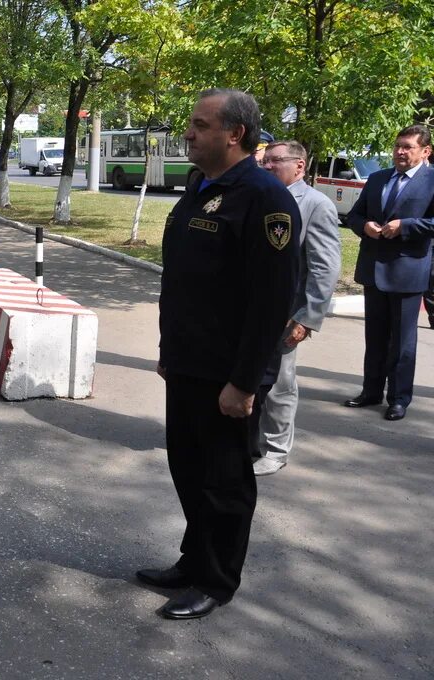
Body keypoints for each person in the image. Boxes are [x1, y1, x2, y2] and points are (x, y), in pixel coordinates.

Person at [143, 89, 299, 619]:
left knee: (224, 482)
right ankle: (193, 561)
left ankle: (217, 579)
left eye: (199, 124)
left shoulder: (264, 198)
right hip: (188, 361)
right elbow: (184, 282)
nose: (188, 132)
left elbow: (270, 303)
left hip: (228, 373)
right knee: (188, 469)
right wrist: (169, 349)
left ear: (234, 133)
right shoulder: (200, 186)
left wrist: (247, 381)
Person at [254, 140, 341, 475]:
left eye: (275, 161)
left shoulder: (315, 204)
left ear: (300, 165)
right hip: (252, 306)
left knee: (279, 383)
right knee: (250, 377)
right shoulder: (261, 196)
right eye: (264, 161)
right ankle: (249, 442)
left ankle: (275, 450)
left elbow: (325, 267)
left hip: (288, 311)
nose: (267, 167)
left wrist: (307, 317)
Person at [343, 125, 434, 421]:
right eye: (397, 145)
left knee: (403, 341)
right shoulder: (378, 177)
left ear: (425, 151)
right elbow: (355, 215)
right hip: (374, 269)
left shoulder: (431, 180)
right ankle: (371, 391)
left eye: (408, 147)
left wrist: (405, 226)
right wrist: (365, 226)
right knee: (376, 336)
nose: (400, 151)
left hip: (408, 270)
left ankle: (398, 398)